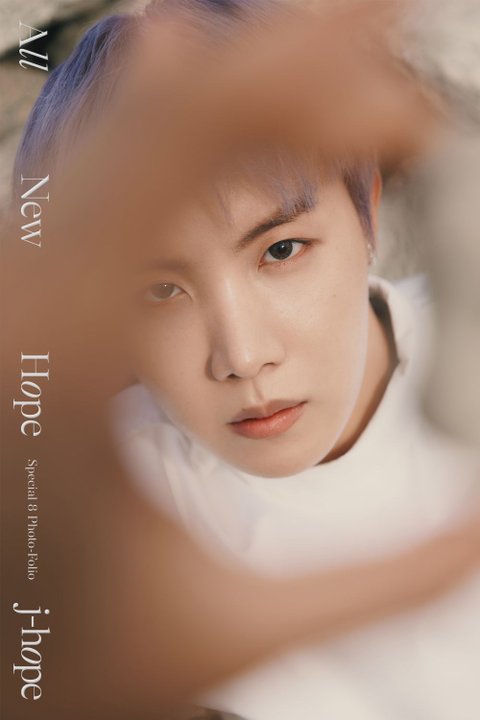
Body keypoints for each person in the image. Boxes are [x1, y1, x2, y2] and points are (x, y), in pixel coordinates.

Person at [10, 1, 480, 719]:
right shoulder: (84, 512)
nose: (243, 356)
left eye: (282, 250)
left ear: (367, 211)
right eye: (158, 290)